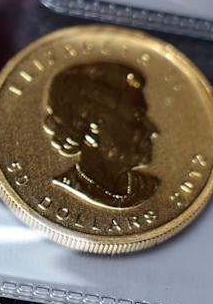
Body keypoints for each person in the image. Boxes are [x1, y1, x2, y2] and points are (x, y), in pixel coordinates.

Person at [43, 62, 159, 208]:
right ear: (94, 125)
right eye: (136, 118)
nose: (153, 131)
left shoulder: (149, 187)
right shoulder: (64, 189)